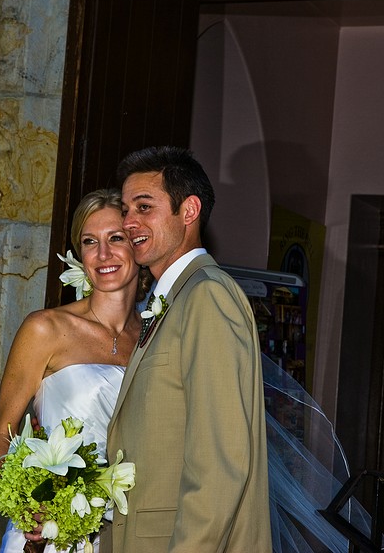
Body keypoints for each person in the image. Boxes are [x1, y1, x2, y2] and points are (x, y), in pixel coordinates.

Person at [106, 146, 272, 552]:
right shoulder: (173, 298)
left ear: (189, 210)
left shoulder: (207, 297)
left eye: (144, 207)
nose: (128, 222)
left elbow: (220, 462)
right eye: (126, 210)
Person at [0, 189, 149, 553]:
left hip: (128, 533)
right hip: (50, 532)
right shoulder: (45, 328)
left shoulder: (155, 339)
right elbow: (1, 433)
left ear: (138, 246)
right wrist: (29, 505)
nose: (103, 254)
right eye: (90, 242)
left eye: (116, 238)